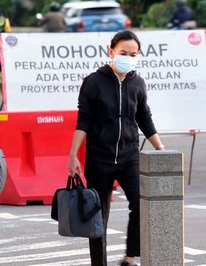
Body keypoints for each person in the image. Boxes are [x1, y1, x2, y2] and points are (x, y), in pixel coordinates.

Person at [67, 30, 165, 266]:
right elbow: (84, 121)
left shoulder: (138, 83)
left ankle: (129, 259)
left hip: (129, 157)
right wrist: (73, 155)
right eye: (123, 53)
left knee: (140, 205)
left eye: (133, 54)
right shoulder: (93, 81)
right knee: (98, 216)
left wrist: (161, 149)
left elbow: (145, 119)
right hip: (99, 159)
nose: (128, 58)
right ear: (111, 52)